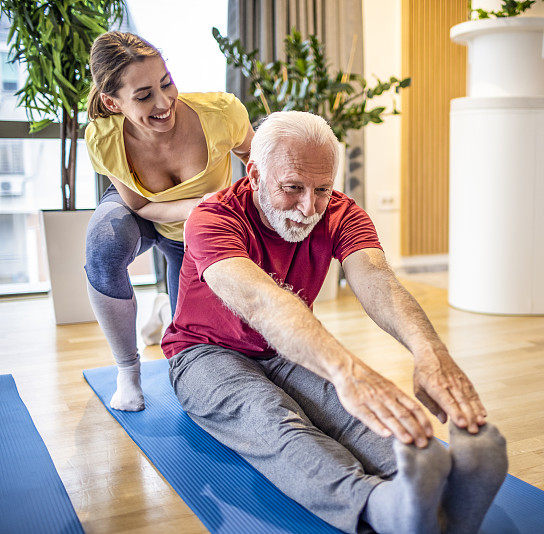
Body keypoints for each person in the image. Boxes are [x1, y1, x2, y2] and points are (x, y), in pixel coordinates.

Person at [161, 111, 508, 533]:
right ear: (254, 174)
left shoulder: (340, 212)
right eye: (292, 188)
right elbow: (263, 303)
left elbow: (378, 282)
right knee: (274, 419)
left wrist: (429, 353)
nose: (309, 207)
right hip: (204, 353)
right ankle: (380, 508)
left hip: (286, 347)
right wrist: (349, 371)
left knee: (345, 409)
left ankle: (433, 482)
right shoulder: (211, 218)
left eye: (322, 189)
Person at [83, 31, 255, 412]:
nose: (164, 103)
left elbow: (258, 165)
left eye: (167, 84)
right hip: (144, 214)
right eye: (144, 96)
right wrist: (201, 204)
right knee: (103, 248)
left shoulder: (222, 113)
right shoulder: (103, 138)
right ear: (113, 102)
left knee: (191, 343)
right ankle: (127, 370)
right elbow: (140, 206)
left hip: (194, 236)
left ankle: (164, 310)